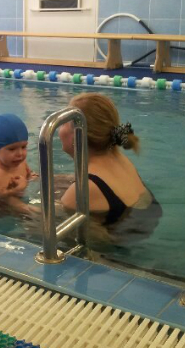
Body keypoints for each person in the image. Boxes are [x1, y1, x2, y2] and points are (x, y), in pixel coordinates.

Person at [58, 93, 161, 246]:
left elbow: (49, 227)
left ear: (76, 135)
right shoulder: (120, 159)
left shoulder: (81, 190)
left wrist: (19, 206)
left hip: (116, 247)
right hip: (143, 222)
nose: (59, 129)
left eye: (63, 123)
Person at [0, 114, 36, 214]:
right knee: (34, 213)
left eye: (23, 147)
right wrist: (17, 189)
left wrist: (31, 177)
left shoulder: (20, 161)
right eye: (12, 149)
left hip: (18, 199)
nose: (20, 153)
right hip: (0, 207)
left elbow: (29, 174)